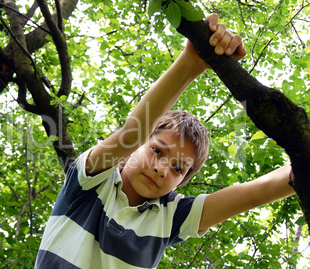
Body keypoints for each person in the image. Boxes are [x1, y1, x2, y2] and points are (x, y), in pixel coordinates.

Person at [34, 14, 295, 269]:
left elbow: (260, 191)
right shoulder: (92, 179)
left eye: (178, 168)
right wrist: (190, 62)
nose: (161, 168)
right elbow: (131, 135)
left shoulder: (171, 217)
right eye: (157, 150)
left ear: (182, 182)